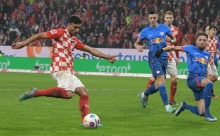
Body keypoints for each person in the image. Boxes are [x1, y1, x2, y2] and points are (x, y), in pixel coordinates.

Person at [11, 15, 117, 126]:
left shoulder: (74, 40)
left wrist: (107, 57)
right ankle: (35, 93)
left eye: (79, 28)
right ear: (69, 25)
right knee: (68, 94)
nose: (77, 30)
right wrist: (23, 43)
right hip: (60, 68)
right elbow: (41, 35)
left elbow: (89, 49)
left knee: (84, 93)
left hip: (68, 71)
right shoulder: (60, 33)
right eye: (75, 27)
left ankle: (84, 121)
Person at [134, 10, 177, 113]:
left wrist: (172, 41)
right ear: (148, 18)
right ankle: (167, 107)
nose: (152, 20)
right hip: (153, 58)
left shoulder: (164, 27)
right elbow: (136, 43)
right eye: (151, 18)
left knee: (158, 85)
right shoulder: (145, 31)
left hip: (164, 57)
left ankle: (143, 95)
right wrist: (138, 47)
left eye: (154, 18)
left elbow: (174, 39)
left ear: (157, 17)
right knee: (161, 80)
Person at [174, 31, 217, 122]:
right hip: (193, 78)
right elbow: (175, 48)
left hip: (201, 80)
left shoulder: (207, 54)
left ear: (206, 42)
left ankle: (185, 106)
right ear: (196, 41)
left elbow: (205, 68)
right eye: (200, 40)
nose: (202, 42)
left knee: (201, 111)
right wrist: (162, 49)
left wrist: (208, 79)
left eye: (204, 40)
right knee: (209, 84)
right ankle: (208, 114)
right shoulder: (191, 49)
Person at [145, 11, 181, 105]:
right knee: (154, 78)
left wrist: (177, 57)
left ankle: (171, 99)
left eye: (170, 18)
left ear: (173, 18)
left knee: (174, 77)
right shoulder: (159, 28)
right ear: (164, 19)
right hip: (159, 56)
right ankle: (146, 96)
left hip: (170, 56)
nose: (169, 19)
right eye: (167, 18)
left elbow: (176, 43)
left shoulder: (176, 30)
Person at [205, 26, 220, 98]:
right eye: (212, 30)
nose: (213, 32)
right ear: (209, 31)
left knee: (216, 77)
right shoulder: (205, 39)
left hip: (212, 62)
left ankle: (205, 87)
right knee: (210, 77)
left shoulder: (216, 39)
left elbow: (215, 49)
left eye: (215, 30)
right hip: (206, 62)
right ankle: (210, 94)